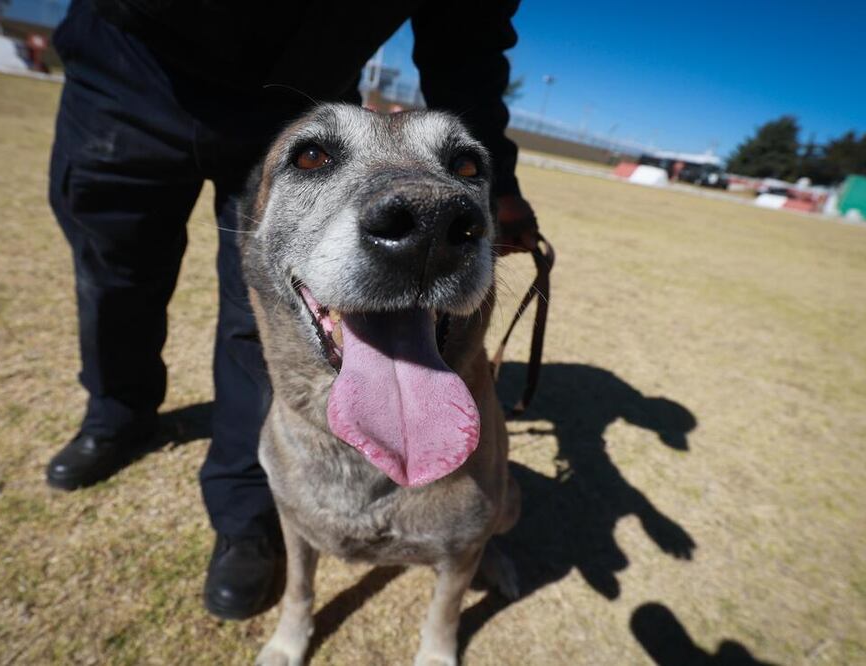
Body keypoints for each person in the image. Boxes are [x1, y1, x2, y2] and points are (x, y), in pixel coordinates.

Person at [44, 0, 539, 620]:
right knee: (113, 279)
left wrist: (504, 181)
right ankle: (115, 417)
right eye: (315, 159)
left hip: (295, 90)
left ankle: (244, 513)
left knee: (245, 326)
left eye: (460, 170)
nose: (432, 206)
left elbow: (469, 34)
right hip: (132, 65)